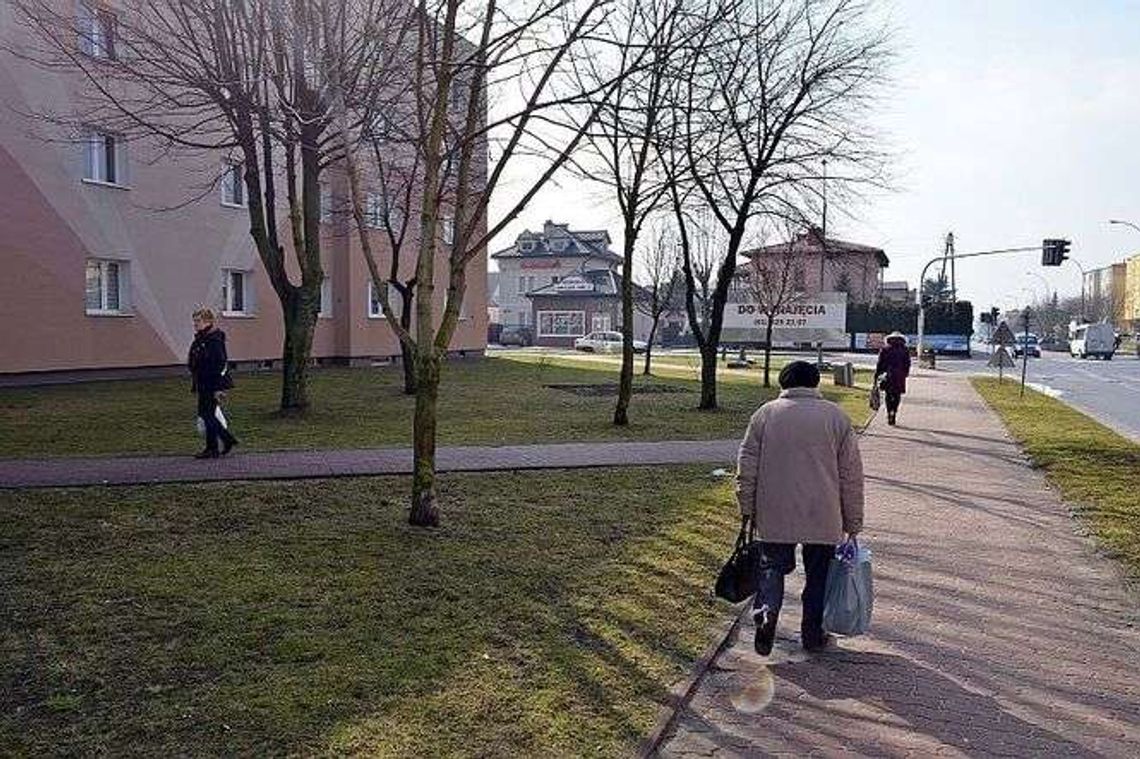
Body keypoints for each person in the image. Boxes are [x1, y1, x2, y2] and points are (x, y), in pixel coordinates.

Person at [735, 360, 865, 655]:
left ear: (784, 382)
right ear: (815, 383)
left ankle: (767, 614)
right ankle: (812, 634)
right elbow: (851, 475)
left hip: (774, 509)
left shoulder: (765, 414)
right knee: (819, 576)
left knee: (771, 567)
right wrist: (853, 522)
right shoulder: (836, 417)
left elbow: (747, 464)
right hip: (823, 511)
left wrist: (746, 506)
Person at [188, 308, 238, 459]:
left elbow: (220, 363)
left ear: (208, 321)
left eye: (198, 321)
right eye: (195, 321)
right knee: (207, 414)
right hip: (203, 382)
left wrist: (219, 387)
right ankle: (213, 447)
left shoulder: (213, 339)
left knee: (206, 414)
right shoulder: (202, 338)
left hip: (211, 383)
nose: (195, 324)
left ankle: (225, 440)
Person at [875, 331, 911, 426]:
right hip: (899, 376)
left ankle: (889, 412)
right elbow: (907, 364)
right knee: (897, 395)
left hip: (888, 376)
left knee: (888, 395)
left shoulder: (885, 349)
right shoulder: (904, 349)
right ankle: (894, 411)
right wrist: (905, 374)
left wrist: (877, 375)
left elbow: (880, 364)